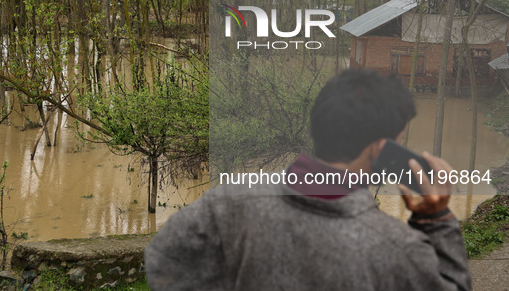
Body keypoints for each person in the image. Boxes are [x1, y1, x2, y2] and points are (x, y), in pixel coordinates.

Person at [144, 68, 471, 290]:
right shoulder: (397, 248)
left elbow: (163, 259)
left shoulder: (229, 200)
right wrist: (437, 219)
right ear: (380, 149)